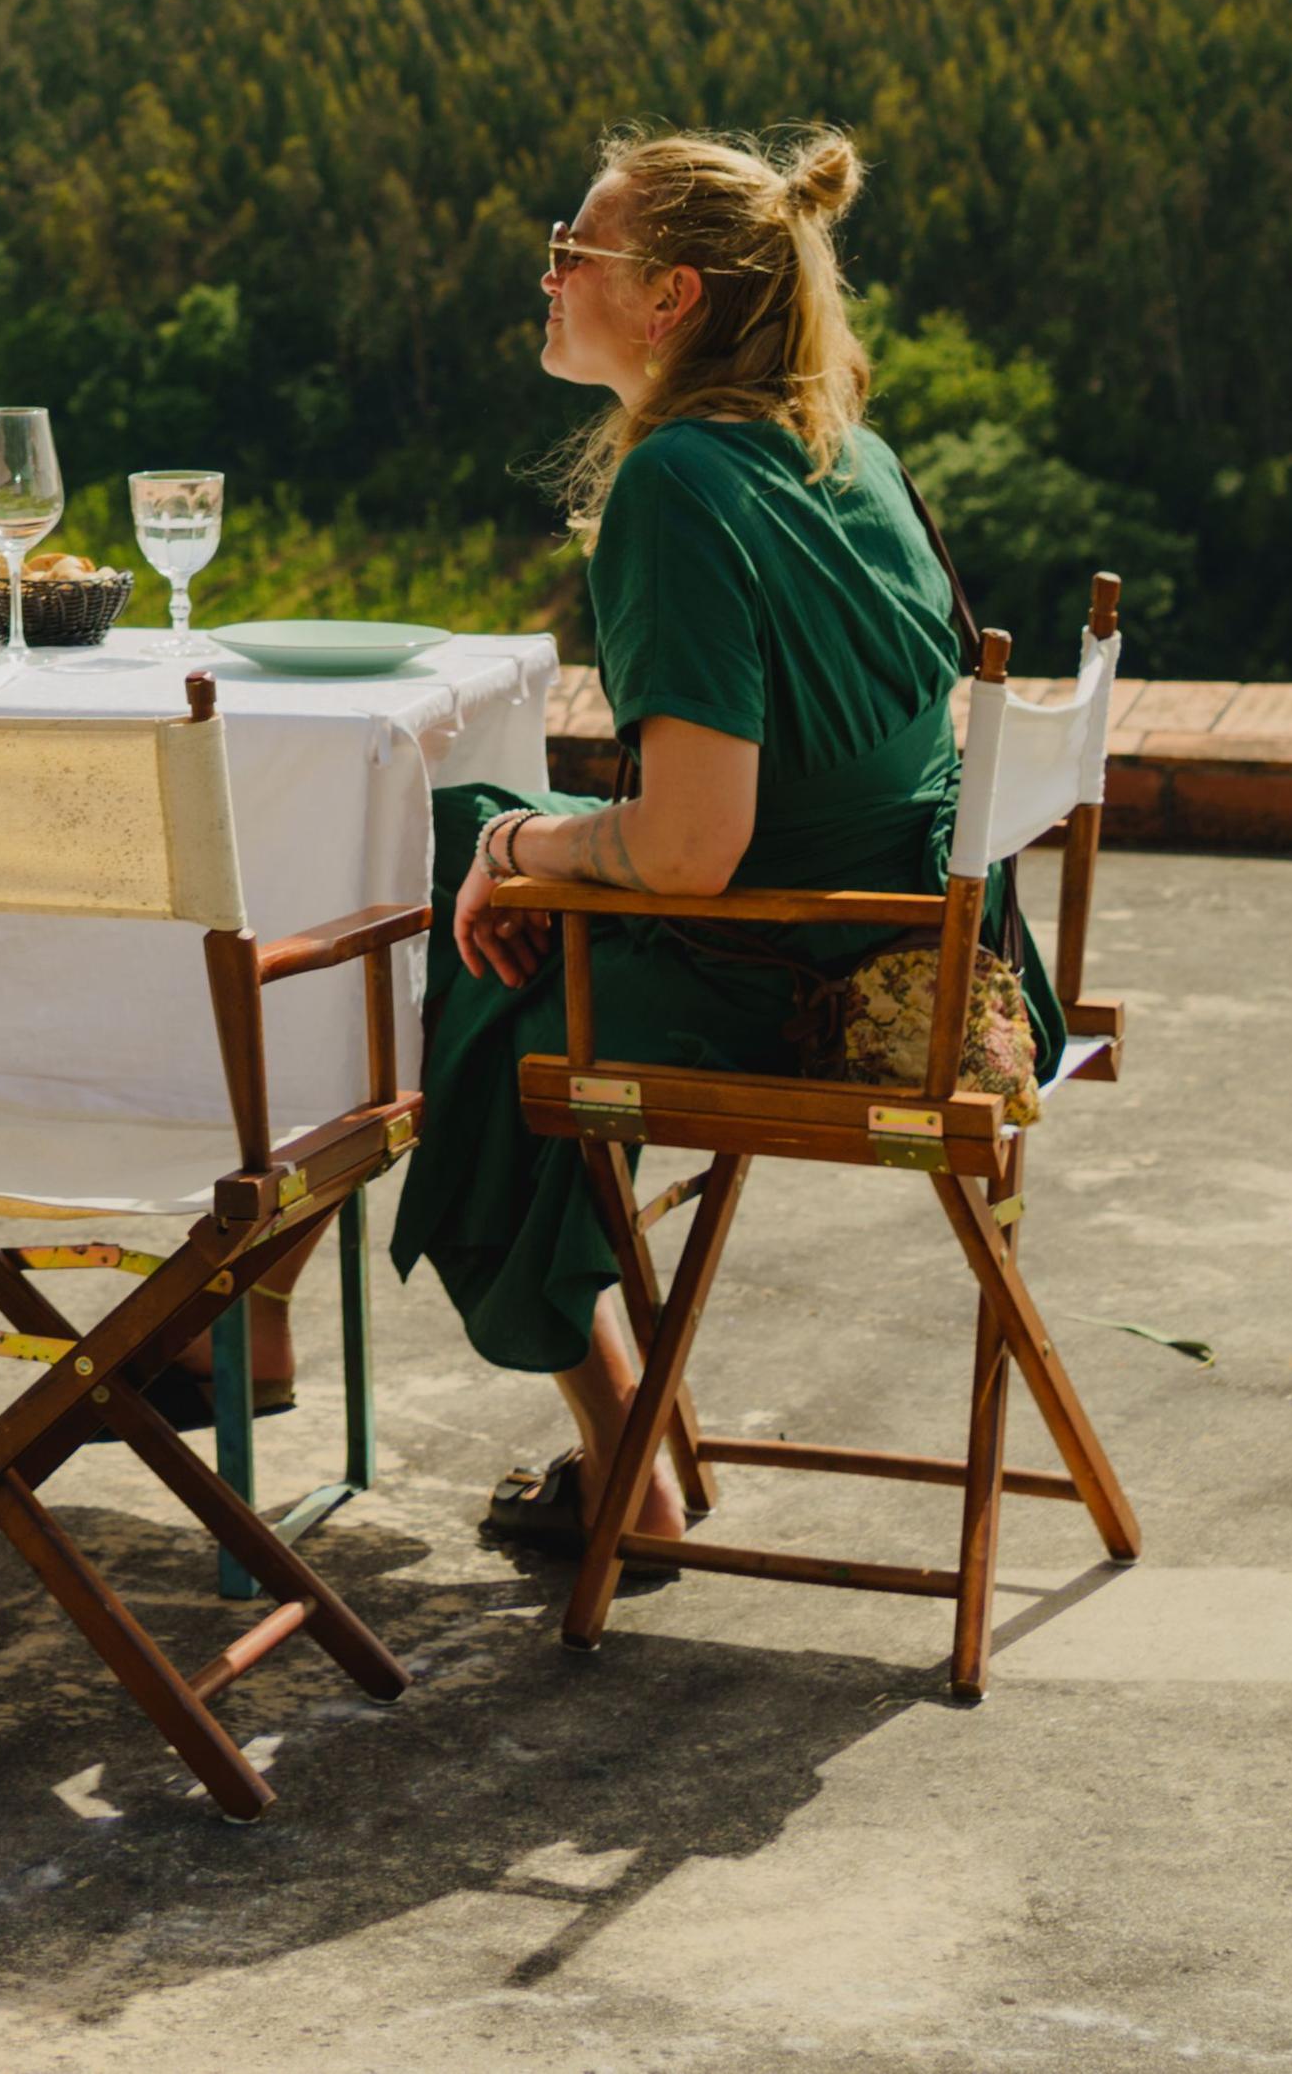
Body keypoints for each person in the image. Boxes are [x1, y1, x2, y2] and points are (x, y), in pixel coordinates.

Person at [393, 128, 1060, 1565]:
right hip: (945, 953)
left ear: (669, 297)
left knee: (442, 905)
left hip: (790, 980)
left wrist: (515, 847)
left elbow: (695, 850)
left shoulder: (677, 489)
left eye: (575, 251)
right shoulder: (853, 450)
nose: (550, 274)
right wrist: (531, 860)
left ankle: (614, 1456)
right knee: (485, 879)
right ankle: (597, 1429)